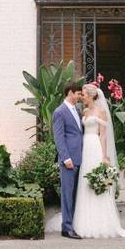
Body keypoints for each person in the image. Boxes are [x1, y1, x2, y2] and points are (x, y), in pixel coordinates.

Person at [72, 83, 125, 239]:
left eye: (83, 94)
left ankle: (101, 221)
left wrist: (104, 156)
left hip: (95, 146)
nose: (81, 97)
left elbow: (103, 135)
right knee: (85, 182)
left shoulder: (101, 112)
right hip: (85, 147)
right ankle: (83, 221)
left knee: (95, 178)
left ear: (91, 95)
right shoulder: (84, 111)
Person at [51, 81, 84, 239]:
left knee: (75, 194)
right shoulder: (60, 111)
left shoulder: (76, 110)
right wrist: (65, 158)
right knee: (67, 194)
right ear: (70, 92)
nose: (79, 97)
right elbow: (59, 138)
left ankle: (72, 224)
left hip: (80, 157)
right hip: (69, 160)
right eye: (78, 94)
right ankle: (67, 228)